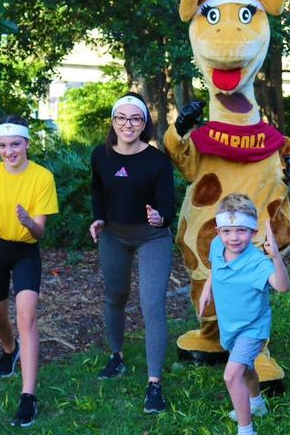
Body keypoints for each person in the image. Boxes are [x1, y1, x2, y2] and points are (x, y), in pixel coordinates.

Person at [89, 91, 175, 414]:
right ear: (113, 122)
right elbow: (97, 188)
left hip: (151, 236)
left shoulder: (157, 160)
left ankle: (154, 384)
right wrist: (98, 218)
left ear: (144, 123)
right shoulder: (101, 155)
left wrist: (160, 217)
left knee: (152, 305)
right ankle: (117, 356)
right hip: (113, 235)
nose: (128, 124)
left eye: (135, 118)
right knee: (116, 296)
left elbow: (168, 206)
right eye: (122, 118)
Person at [0, 115, 58, 428]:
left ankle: (28, 397)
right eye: (3, 146)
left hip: (25, 252)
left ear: (27, 144)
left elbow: (39, 233)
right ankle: (10, 351)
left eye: (15, 144)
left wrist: (27, 222)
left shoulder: (42, 177)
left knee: (27, 316)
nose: (9, 151)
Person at [199, 193, 290, 435]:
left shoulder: (257, 262)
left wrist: (275, 256)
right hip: (230, 325)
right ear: (218, 232)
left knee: (232, 375)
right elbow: (215, 269)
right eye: (227, 231)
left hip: (253, 327)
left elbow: (282, 286)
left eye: (241, 230)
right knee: (245, 367)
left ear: (253, 231)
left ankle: (246, 429)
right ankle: (257, 403)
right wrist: (206, 290)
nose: (233, 237)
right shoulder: (217, 246)